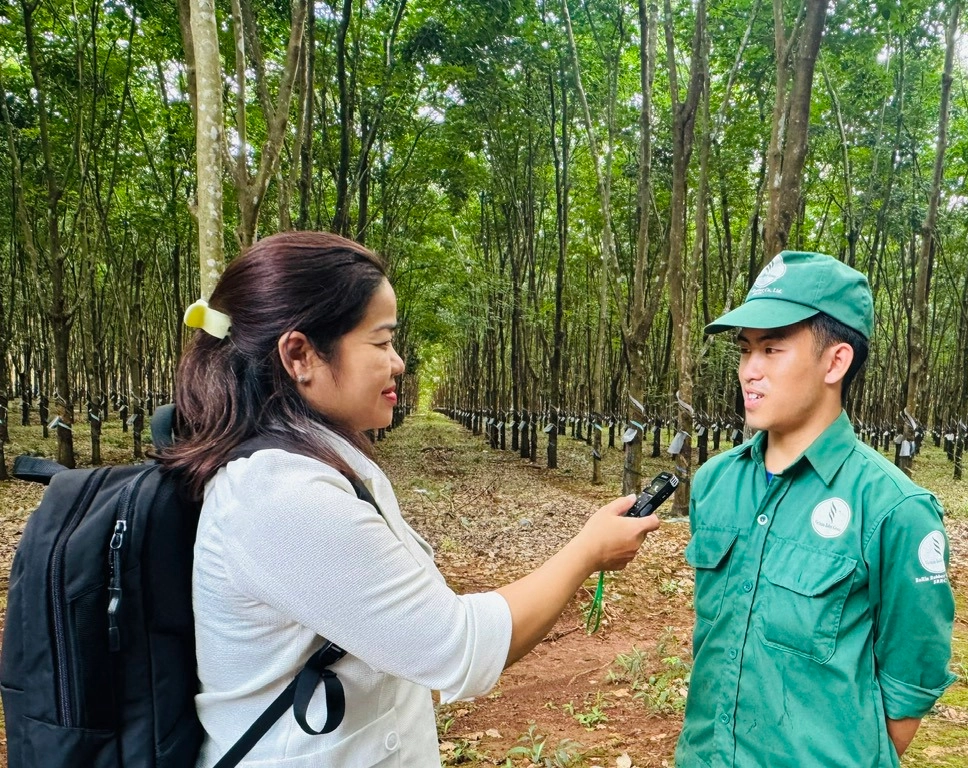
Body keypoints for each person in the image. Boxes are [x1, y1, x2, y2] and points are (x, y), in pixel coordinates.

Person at [161, 231, 659, 767]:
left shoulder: (317, 462)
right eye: (380, 342)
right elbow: (457, 647)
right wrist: (587, 551)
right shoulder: (279, 498)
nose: (398, 363)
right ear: (299, 354)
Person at [675, 251, 955, 768]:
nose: (749, 371)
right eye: (745, 351)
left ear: (836, 361)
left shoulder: (894, 509)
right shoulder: (716, 482)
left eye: (772, 349)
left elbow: (912, 679)